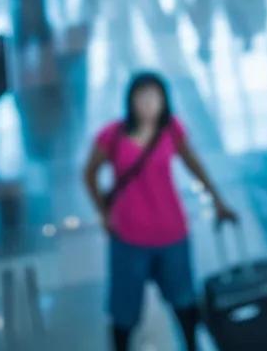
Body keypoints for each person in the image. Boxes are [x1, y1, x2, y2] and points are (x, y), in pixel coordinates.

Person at [82, 72, 237, 351]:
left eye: (155, 97)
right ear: (130, 101)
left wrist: (217, 200)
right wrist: (104, 212)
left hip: (172, 232)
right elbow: (89, 173)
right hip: (129, 237)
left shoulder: (171, 130)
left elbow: (193, 164)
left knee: (184, 301)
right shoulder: (113, 136)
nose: (148, 103)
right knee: (124, 311)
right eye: (142, 97)